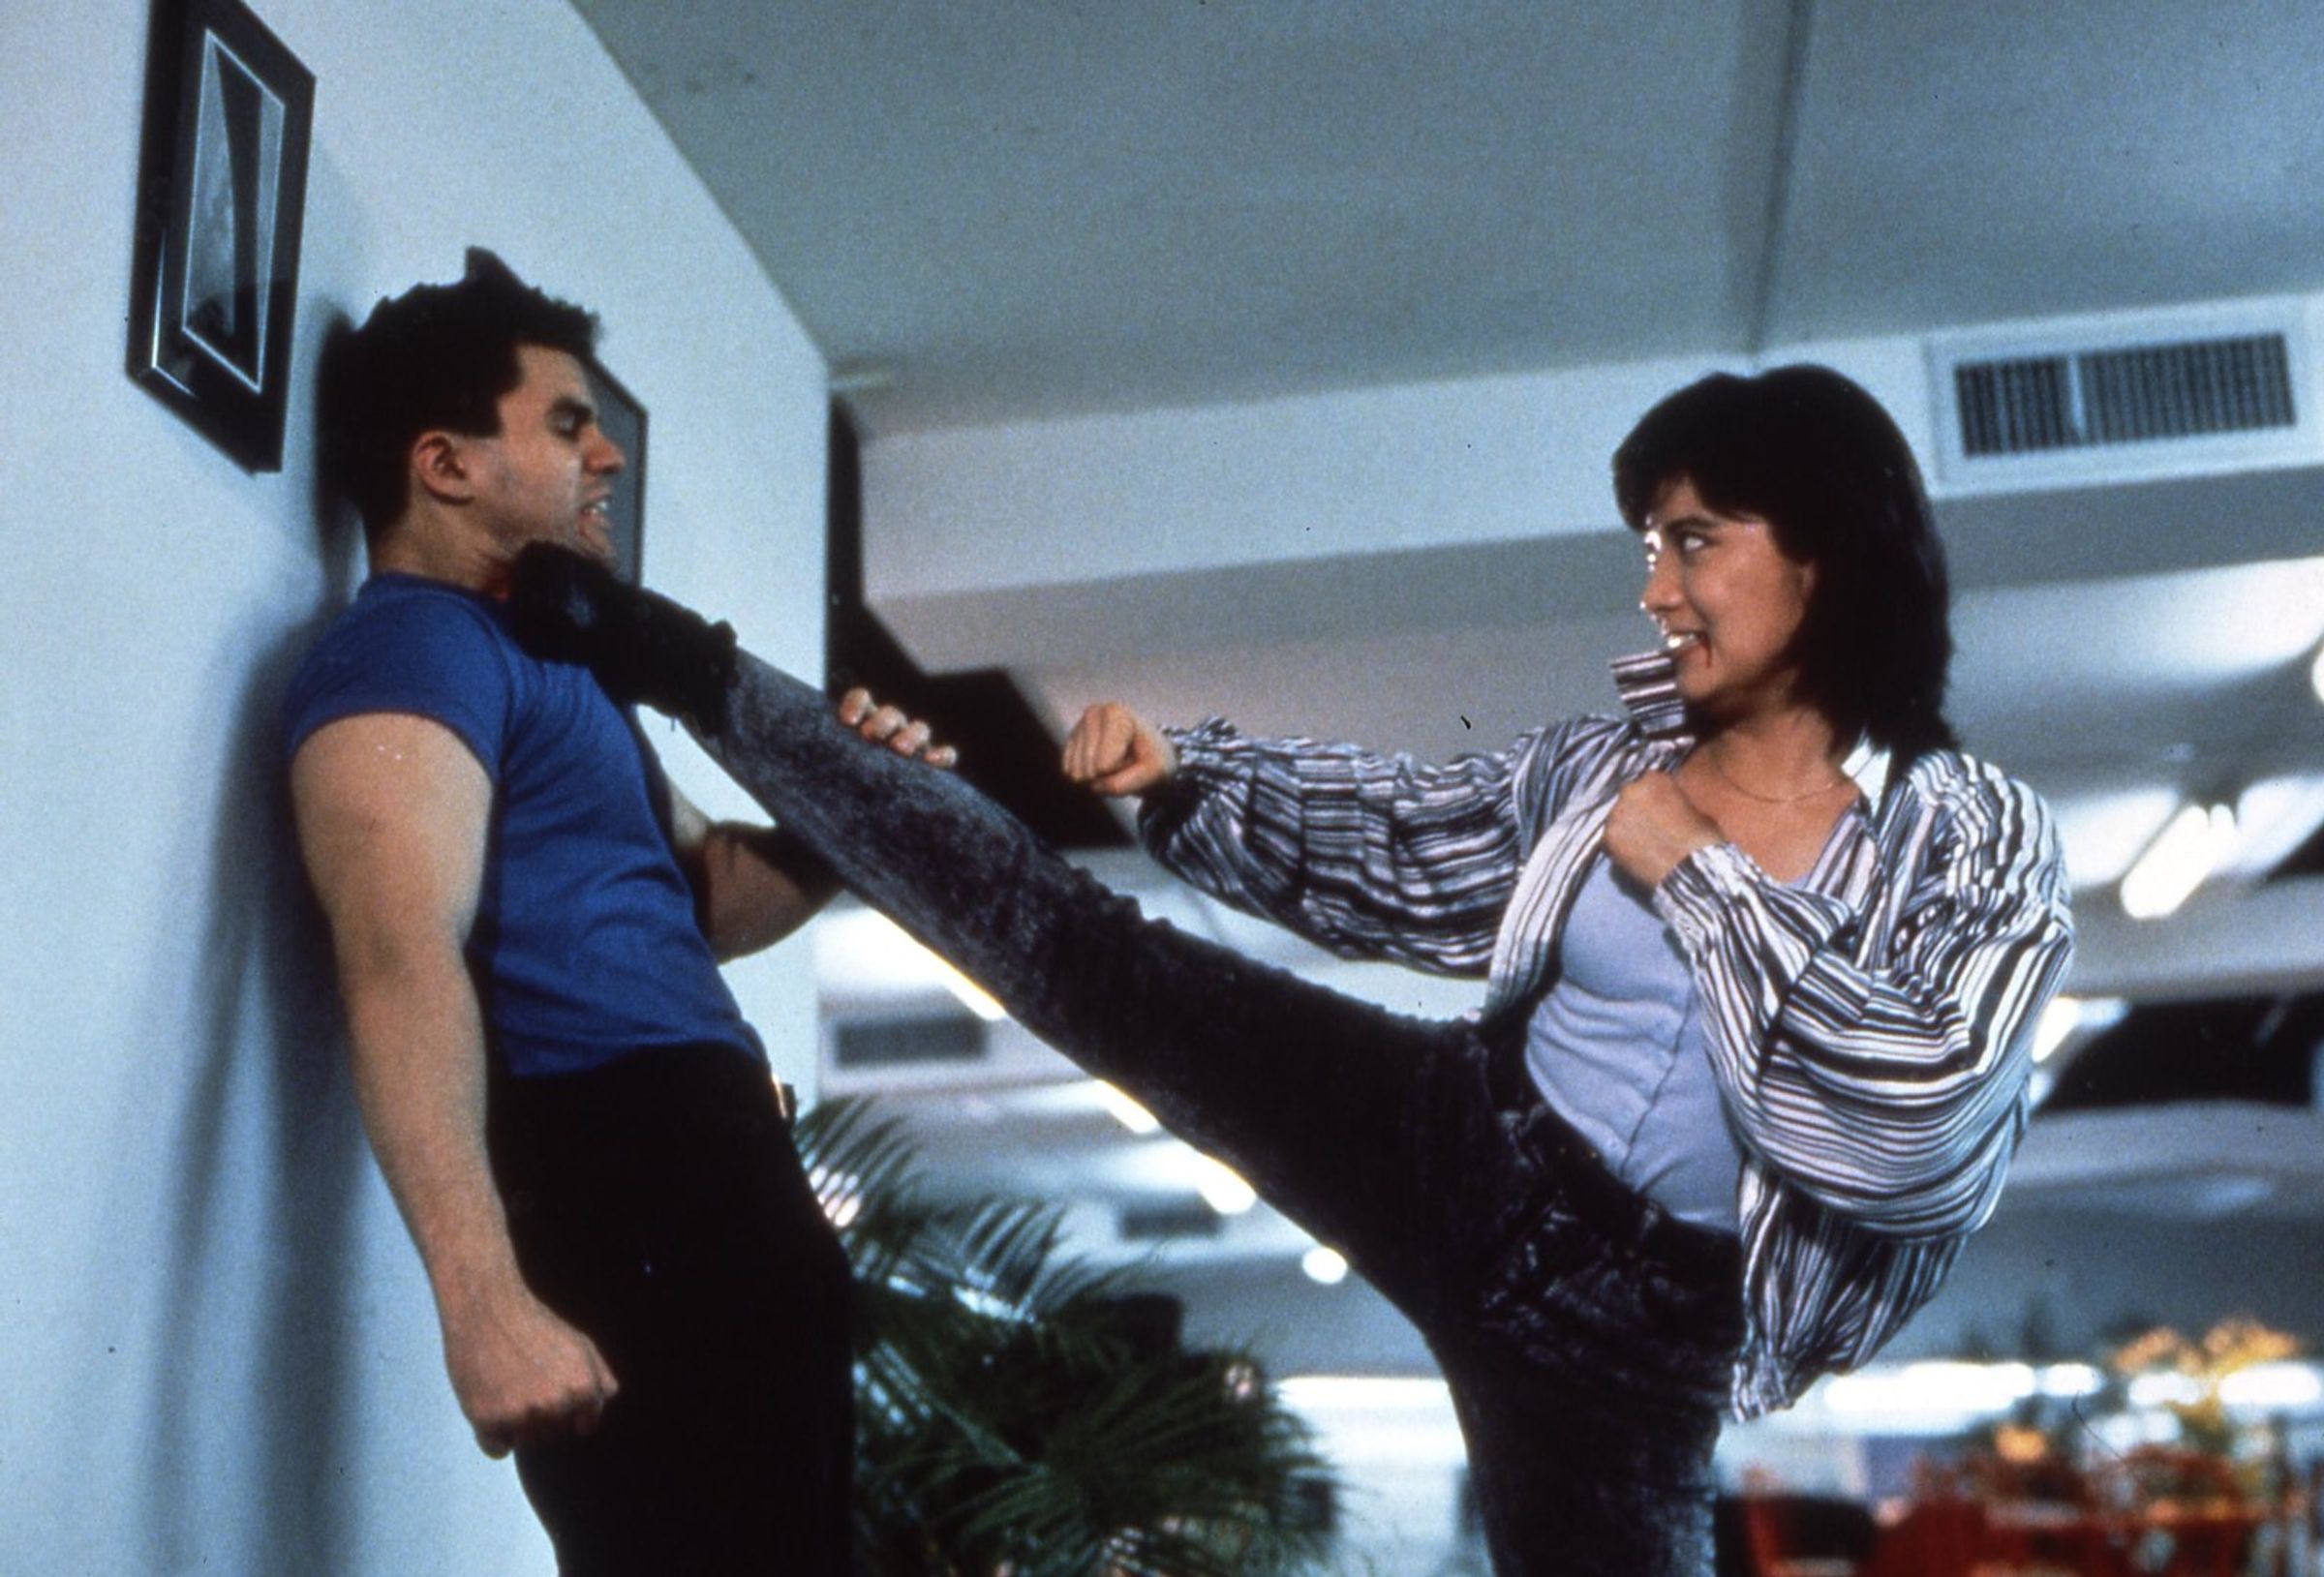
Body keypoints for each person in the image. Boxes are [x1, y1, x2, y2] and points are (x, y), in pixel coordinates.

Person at [506, 362, 2074, 1576]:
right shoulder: (1610, 768)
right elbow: (1408, 838)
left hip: (1635, 1337)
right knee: (1080, 948)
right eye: (1648, 547)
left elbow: (1908, 1128)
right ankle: (674, 657)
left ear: (1826, 554)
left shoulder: (1973, 835)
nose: (1655, 589)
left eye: (1693, 541)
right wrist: (1192, 780)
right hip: (1456, 1141)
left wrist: (1701, 877)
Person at [283, 250, 949, 1575]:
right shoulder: (408, 651)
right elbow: (398, 961)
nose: (609, 458)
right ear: (445, 464)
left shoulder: (554, 664)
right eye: (567, 423)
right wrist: (483, 1304)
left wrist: (857, 809)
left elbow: (701, 895)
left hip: (715, 1181)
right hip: (621, 1179)